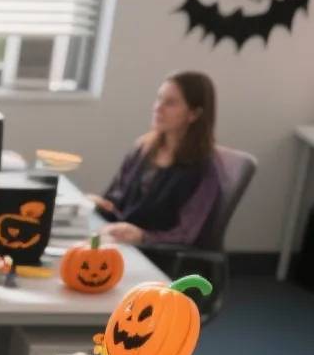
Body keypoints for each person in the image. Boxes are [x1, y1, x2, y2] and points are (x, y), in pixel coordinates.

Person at [88, 71, 221, 248]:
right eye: (159, 99)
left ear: (194, 114)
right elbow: (116, 200)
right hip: (120, 243)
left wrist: (143, 237)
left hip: (158, 257)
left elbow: (187, 234)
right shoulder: (142, 148)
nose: (158, 107)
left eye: (171, 103)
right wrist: (99, 204)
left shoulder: (204, 169)